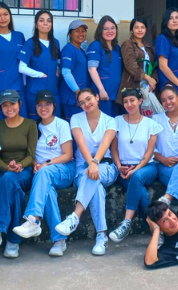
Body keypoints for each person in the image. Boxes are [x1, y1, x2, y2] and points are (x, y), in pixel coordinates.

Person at [54, 89, 119, 255]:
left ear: (97, 98)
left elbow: (105, 144)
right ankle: (101, 236)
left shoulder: (110, 121)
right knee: (94, 183)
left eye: (89, 99)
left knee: (93, 175)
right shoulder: (76, 119)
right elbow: (81, 144)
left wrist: (95, 162)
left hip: (106, 167)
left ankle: (75, 216)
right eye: (82, 102)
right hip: (83, 168)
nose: (86, 104)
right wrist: (91, 164)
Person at [12, 90, 75, 257]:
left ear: (54, 106)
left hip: (64, 169)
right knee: (47, 192)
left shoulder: (62, 124)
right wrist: (35, 164)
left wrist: (45, 164)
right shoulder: (33, 126)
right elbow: (31, 155)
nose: (43, 108)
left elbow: (68, 154)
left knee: (44, 174)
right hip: (42, 173)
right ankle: (59, 241)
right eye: (39, 105)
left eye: (47, 104)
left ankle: (33, 219)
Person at [0, 90, 38, 258]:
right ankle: (13, 241)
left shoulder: (30, 124)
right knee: (14, 189)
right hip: (2, 171)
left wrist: (19, 165)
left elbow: (31, 155)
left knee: (11, 180)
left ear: (19, 104)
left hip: (24, 171)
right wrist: (6, 167)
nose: (9, 108)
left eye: (12, 104)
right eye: (5, 105)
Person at [109, 87, 163, 242]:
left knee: (137, 177)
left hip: (146, 167)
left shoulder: (150, 124)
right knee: (142, 193)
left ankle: (126, 222)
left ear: (140, 101)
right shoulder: (117, 121)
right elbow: (114, 149)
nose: (129, 104)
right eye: (125, 101)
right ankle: (156, 230)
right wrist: (119, 167)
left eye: (132, 100)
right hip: (124, 168)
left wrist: (136, 169)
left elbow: (148, 153)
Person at [18, 10, 61, 121]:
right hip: (35, 91)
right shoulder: (30, 43)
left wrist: (58, 69)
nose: (45, 23)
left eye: (48, 21)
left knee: (54, 123)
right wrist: (39, 74)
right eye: (41, 21)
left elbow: (57, 61)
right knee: (35, 125)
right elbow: (21, 67)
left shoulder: (55, 43)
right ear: (36, 24)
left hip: (53, 90)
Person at [87, 16, 123, 117]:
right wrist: (101, 90)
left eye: (112, 28)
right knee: (104, 126)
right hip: (103, 95)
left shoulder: (117, 48)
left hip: (117, 95)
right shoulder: (96, 45)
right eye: (105, 28)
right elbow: (92, 69)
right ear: (100, 30)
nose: (109, 31)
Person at [118, 17, 158, 107]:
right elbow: (131, 66)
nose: (140, 30)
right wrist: (148, 78)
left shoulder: (148, 47)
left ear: (146, 29)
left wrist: (154, 80)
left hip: (147, 88)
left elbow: (154, 66)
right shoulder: (128, 44)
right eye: (136, 27)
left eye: (142, 27)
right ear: (131, 30)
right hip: (132, 86)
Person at [59, 20, 89, 119]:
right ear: (70, 34)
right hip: (71, 99)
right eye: (77, 31)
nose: (81, 34)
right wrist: (78, 92)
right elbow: (66, 72)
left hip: (80, 98)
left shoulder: (81, 50)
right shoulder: (68, 49)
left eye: (83, 31)